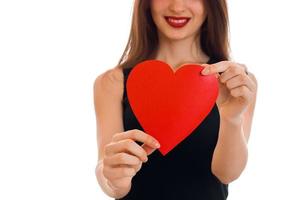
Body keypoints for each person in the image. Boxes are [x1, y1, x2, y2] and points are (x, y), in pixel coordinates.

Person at [94, 0, 258, 199]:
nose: (177, 6)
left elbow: (227, 174)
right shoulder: (112, 82)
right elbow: (106, 169)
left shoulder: (236, 84)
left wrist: (232, 118)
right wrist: (113, 178)